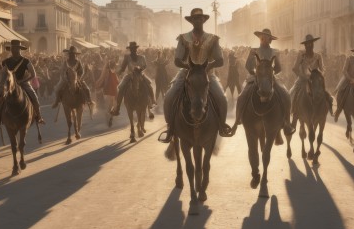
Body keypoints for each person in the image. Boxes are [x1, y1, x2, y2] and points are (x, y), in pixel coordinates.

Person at [158, 8, 232, 143]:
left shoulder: (212, 39)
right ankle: (171, 129)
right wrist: (189, 67)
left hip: (207, 74)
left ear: (204, 20)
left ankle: (221, 126)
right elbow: (177, 60)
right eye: (195, 19)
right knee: (169, 96)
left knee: (221, 98)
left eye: (200, 18)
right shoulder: (183, 38)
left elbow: (220, 60)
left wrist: (207, 67)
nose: (198, 21)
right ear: (191, 21)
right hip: (186, 74)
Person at [232, 28, 294, 137]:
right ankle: (238, 119)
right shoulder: (253, 51)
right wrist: (255, 73)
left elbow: (278, 68)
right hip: (255, 77)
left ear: (270, 40)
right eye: (262, 37)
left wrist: (270, 73)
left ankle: (286, 123)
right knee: (242, 95)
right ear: (260, 39)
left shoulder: (275, 52)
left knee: (285, 94)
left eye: (266, 38)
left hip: (270, 78)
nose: (264, 39)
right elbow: (248, 65)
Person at [0, 40, 45, 128]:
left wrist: (22, 81)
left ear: (20, 49)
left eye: (16, 48)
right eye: (13, 48)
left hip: (23, 83)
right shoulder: (6, 62)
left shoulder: (25, 61)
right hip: (8, 85)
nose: (14, 50)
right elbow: (2, 74)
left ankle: (39, 116)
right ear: (11, 49)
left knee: (34, 97)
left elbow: (33, 74)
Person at [289, 34, 333, 127]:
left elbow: (323, 68)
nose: (309, 46)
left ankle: (329, 109)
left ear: (313, 44)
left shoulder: (318, 56)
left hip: (316, 81)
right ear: (305, 45)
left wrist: (320, 75)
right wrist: (303, 77)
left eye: (311, 44)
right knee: (292, 94)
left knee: (327, 95)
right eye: (307, 44)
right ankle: (294, 117)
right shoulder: (301, 55)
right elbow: (295, 68)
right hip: (303, 80)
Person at [110, 42, 155, 116]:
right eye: (132, 49)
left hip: (140, 74)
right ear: (130, 50)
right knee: (121, 88)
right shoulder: (127, 57)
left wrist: (140, 69)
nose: (133, 50)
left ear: (136, 49)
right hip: (130, 75)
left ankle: (151, 103)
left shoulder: (142, 57)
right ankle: (117, 108)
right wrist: (119, 72)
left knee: (149, 85)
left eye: (134, 49)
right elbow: (123, 68)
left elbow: (145, 66)